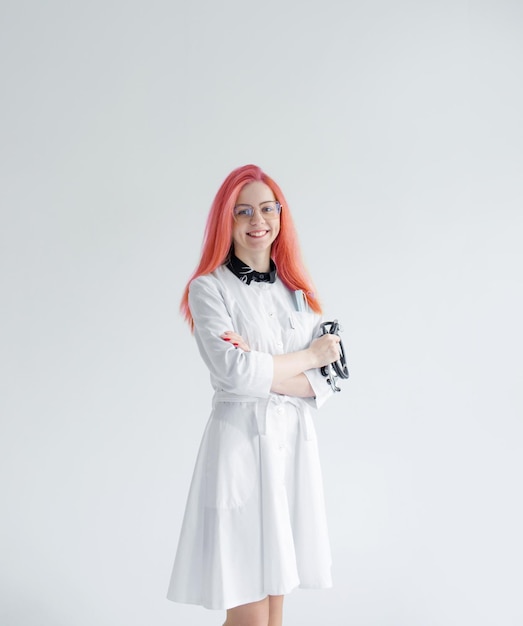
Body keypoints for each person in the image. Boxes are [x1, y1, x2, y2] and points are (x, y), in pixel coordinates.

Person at [167, 164, 344, 626]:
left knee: (274, 610)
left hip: (290, 453)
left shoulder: (299, 294)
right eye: (242, 211)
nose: (256, 220)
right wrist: (308, 355)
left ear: (281, 216)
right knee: (247, 611)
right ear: (226, 220)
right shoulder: (208, 289)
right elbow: (233, 371)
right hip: (241, 450)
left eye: (267, 208)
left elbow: (330, 381)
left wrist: (265, 369)